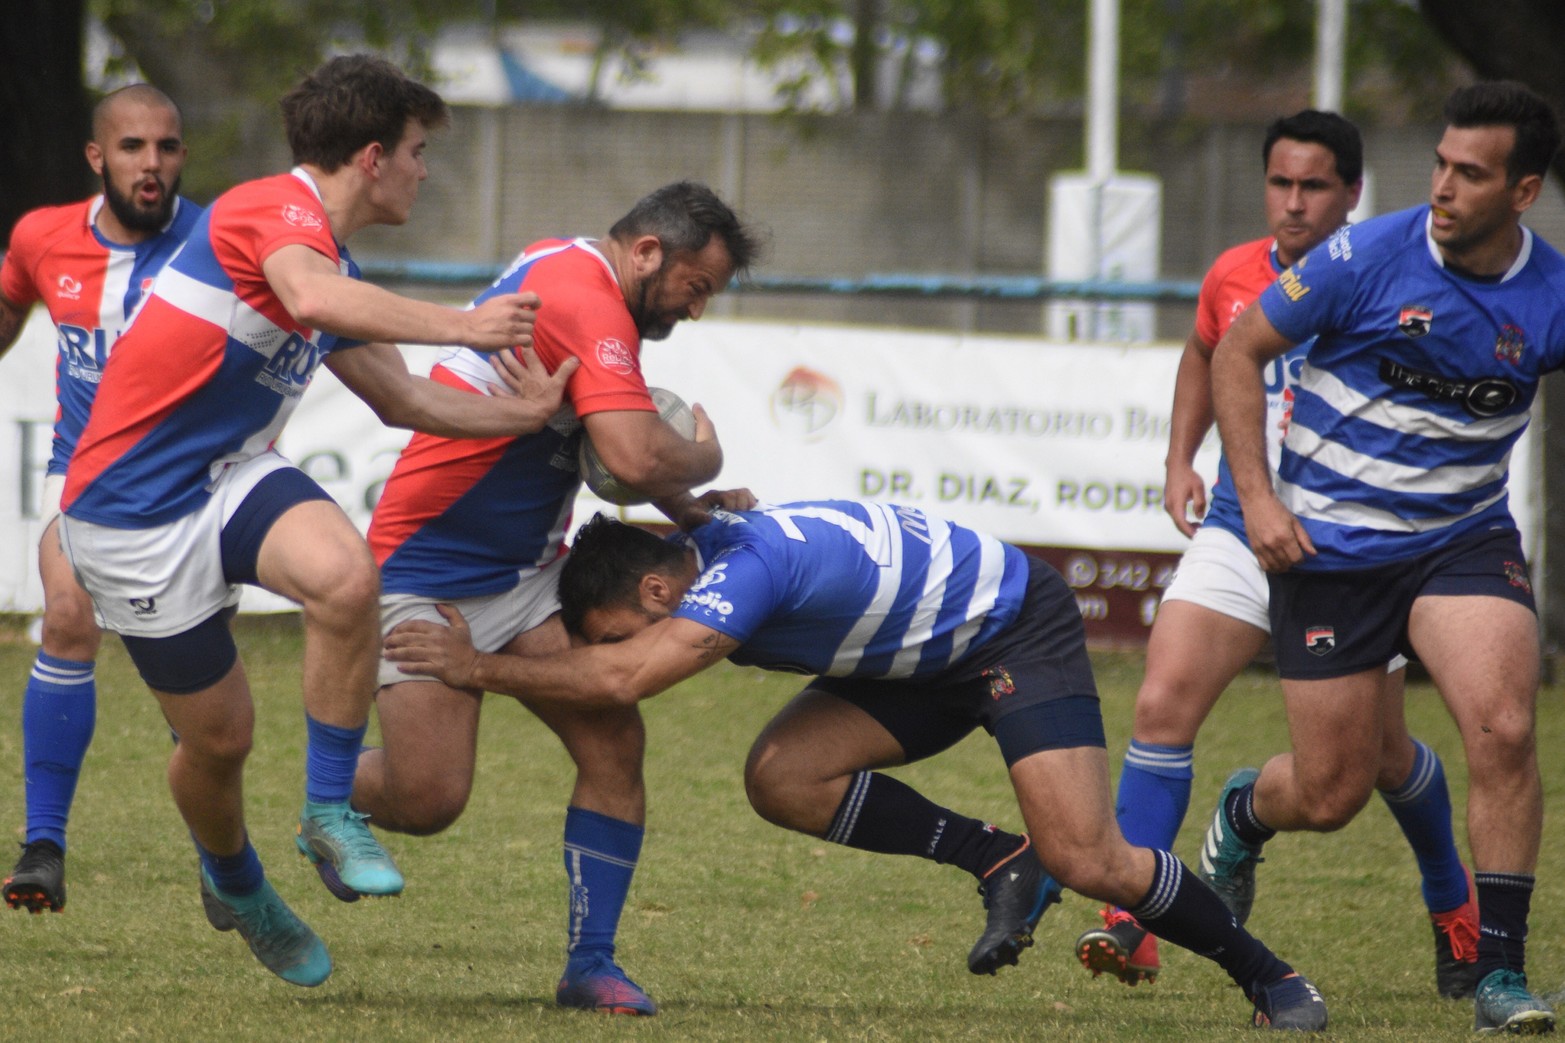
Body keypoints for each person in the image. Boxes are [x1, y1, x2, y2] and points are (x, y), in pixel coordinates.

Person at [384, 503, 1331, 1031]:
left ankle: (1272, 978)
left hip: (1010, 628)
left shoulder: (739, 572)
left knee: (1091, 857)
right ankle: (997, 858)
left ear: (658, 589)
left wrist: (476, 669)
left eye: (609, 628)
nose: (591, 653)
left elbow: (627, 676)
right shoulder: (702, 548)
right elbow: (626, 641)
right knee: (781, 775)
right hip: (914, 659)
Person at [56, 54, 576, 988]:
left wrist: (525, 415)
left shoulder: (330, 260)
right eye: (419, 152)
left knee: (345, 576)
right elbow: (308, 297)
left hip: (225, 478)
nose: (426, 169)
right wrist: (467, 324)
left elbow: (403, 399)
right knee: (218, 743)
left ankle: (330, 813)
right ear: (372, 157)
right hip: (129, 513)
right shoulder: (272, 210)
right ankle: (238, 883)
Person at [1073, 111, 1478, 999]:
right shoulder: (1233, 273)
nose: (1292, 204)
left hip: (1354, 543)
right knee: (1161, 696)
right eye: (1280, 184)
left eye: (1314, 186)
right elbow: (1203, 350)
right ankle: (1129, 919)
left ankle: (1452, 898)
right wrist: (1182, 456)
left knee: (1375, 760)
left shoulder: (1396, 280)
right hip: (1236, 522)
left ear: (1351, 194)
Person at [352, 180, 765, 1015]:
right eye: (695, 288)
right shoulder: (586, 297)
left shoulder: (567, 264)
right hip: (424, 572)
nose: (694, 310)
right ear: (647, 251)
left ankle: (590, 962)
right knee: (427, 799)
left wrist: (686, 511)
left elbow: (593, 450)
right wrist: (705, 461)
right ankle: (325, 792)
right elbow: (634, 455)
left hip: (527, 576)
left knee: (614, 739)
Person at [1207, 80, 1562, 1035]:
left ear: (1521, 192)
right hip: (1332, 547)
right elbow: (1234, 354)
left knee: (1502, 726)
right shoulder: (1361, 253)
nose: (1442, 187)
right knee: (1329, 792)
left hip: (1461, 539)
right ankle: (1243, 813)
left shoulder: (1550, 291)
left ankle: (1499, 974)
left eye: (1469, 173)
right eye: (1440, 164)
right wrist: (1255, 499)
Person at [0, 85, 202, 915]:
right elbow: (11, 299)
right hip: (86, 476)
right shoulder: (43, 236)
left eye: (165, 146)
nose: (149, 164)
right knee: (68, 613)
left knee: (195, 680)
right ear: (97, 157)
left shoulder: (220, 240)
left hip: (200, 482)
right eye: (130, 147)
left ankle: (222, 856)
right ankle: (42, 845)